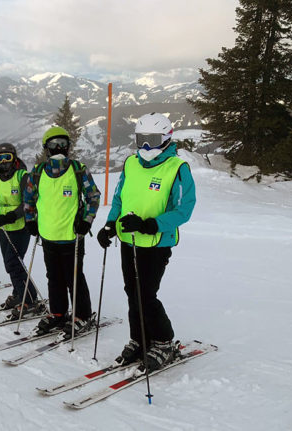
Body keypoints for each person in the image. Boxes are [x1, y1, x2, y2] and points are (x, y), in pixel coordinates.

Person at [96, 112, 196, 371]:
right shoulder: (131, 163)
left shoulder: (177, 169)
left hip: (157, 244)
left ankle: (163, 341)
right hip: (129, 240)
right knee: (132, 292)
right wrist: (110, 225)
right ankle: (139, 338)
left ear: (166, 138)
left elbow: (184, 209)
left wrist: (151, 224)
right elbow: (119, 198)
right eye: (141, 140)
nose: (146, 147)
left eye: (152, 140)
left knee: (146, 294)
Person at [23, 126, 101, 338]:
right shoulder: (38, 173)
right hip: (48, 235)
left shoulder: (77, 170)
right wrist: (30, 220)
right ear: (46, 148)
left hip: (71, 236)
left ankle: (82, 315)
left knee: (74, 277)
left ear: (69, 146)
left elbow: (93, 197)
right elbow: (28, 199)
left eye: (62, 144)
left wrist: (87, 221)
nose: (58, 148)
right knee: (53, 277)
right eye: (53, 144)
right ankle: (58, 312)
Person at [0, 143, 43, 318]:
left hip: (21, 226)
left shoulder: (22, 176)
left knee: (13, 263)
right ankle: (19, 294)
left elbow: (28, 201)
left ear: (14, 158)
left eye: (7, 157)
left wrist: (11, 215)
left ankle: (30, 300)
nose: (3, 162)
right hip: (4, 227)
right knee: (10, 264)